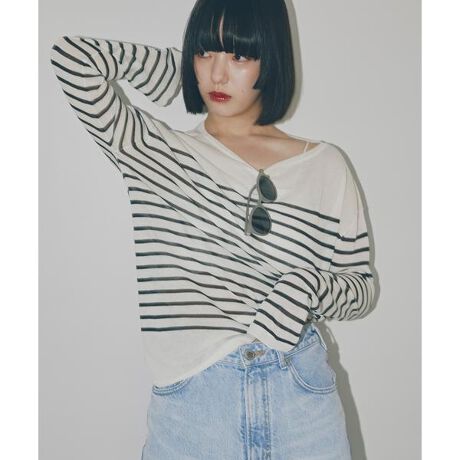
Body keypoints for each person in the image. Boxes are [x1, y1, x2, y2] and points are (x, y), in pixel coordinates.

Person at [49, 0, 376, 458]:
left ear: (270, 58)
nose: (218, 75)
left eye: (239, 55)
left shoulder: (325, 165)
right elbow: (73, 58)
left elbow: (360, 288)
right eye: (205, 52)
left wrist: (307, 287)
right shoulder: (153, 153)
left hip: (301, 399)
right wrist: (180, 73)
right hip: (193, 410)